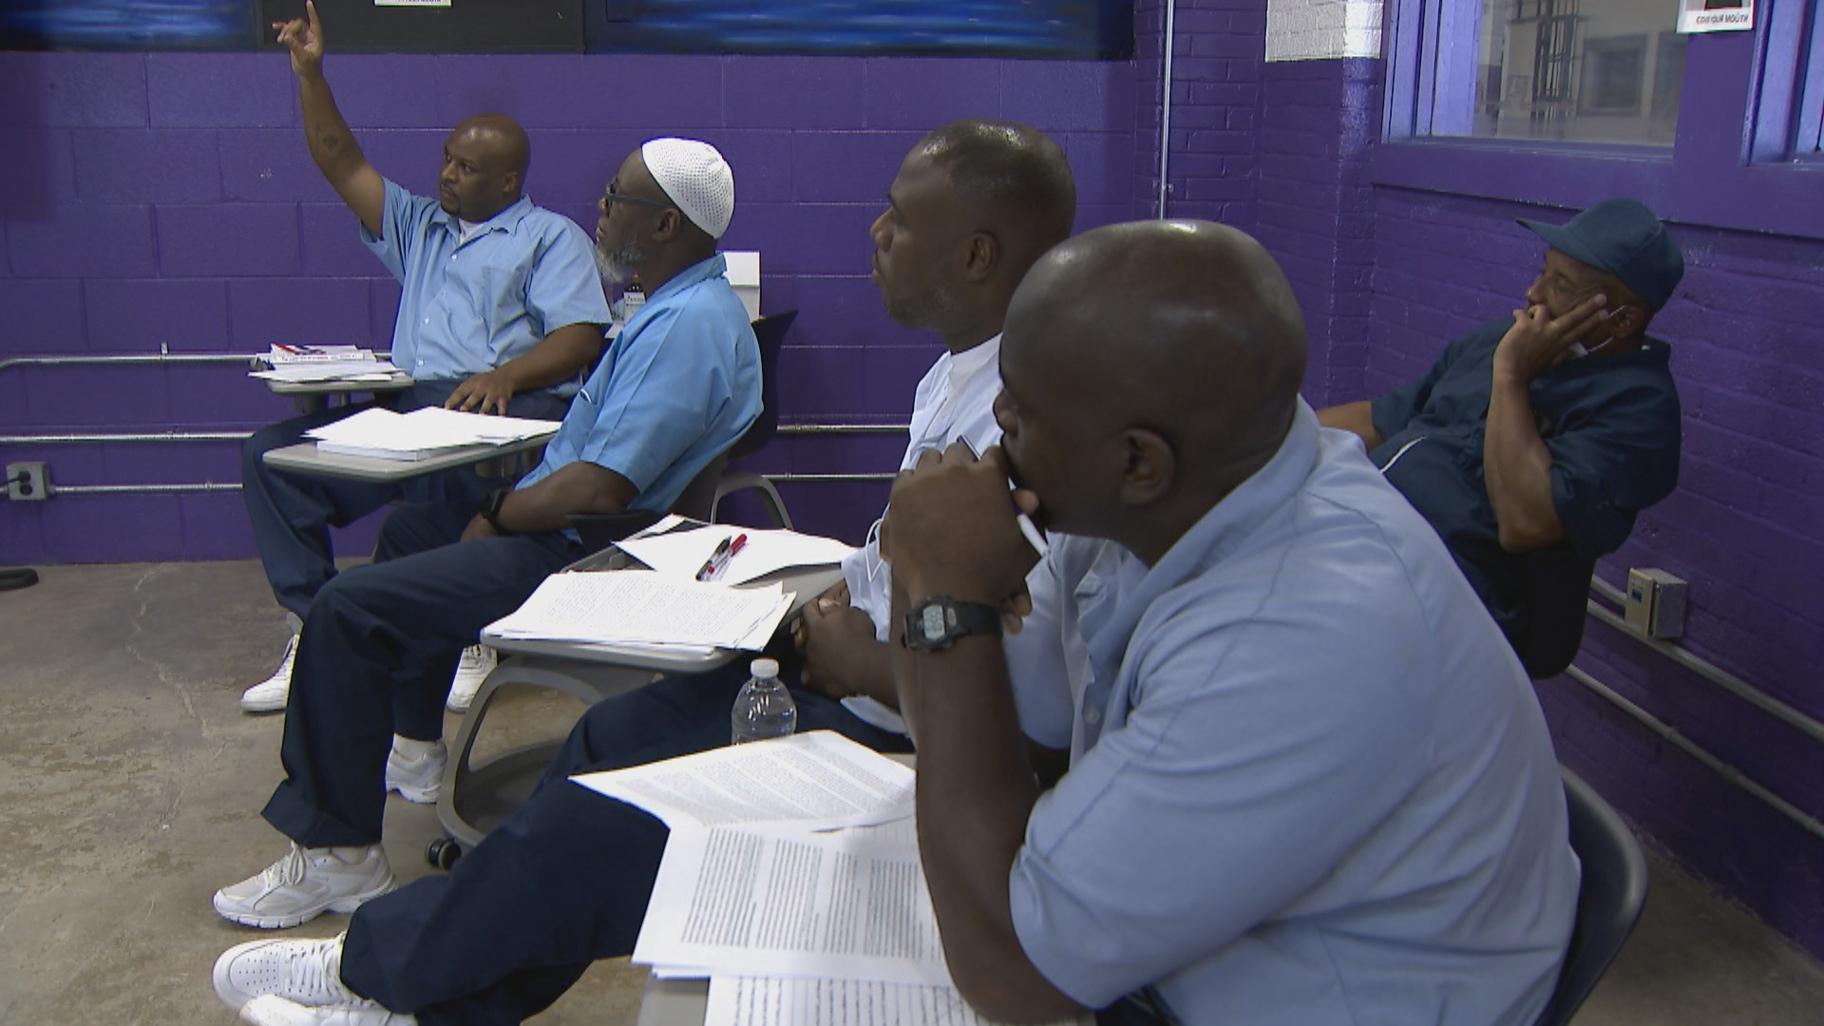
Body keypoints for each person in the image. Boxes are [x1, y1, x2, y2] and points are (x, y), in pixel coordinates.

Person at [208, 120, 1077, 1026]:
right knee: (598, 743)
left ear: (976, 254)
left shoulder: (1031, 419)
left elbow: (1026, 680)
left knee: (581, 813)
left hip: (869, 696)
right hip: (844, 657)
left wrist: (861, 657)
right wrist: (845, 592)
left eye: (899, 216)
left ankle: (375, 972)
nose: (875, 231)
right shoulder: (954, 375)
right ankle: (414, 991)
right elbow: (919, 557)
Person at [876, 220, 1579, 1024]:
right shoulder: (1168, 498)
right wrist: (930, 571)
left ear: (1140, 462)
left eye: (1022, 407)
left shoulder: (1305, 632)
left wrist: (939, 590)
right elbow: (1018, 738)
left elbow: (1013, 977)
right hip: (1204, 958)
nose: (997, 416)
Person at [210, 135, 761, 938]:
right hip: (577, 522)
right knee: (408, 532)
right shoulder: (672, 306)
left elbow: (601, 486)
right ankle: (414, 745)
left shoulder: (688, 328)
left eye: (615, 199)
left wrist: (497, 516)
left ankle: (339, 856)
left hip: (590, 551)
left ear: (668, 225)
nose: (600, 213)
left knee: (343, 608)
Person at [241, 0, 612, 715]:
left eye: (467, 168)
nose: (447, 175)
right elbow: (338, 158)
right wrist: (310, 71)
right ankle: (320, 626)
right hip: (412, 404)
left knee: (457, 465)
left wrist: (503, 375)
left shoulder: (547, 237)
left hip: (505, 407)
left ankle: (467, 633)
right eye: (446, 159)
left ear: (507, 182)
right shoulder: (418, 226)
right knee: (272, 461)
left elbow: (580, 338)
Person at [1318, 198, 1683, 675]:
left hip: (1455, 605)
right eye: (1543, 271)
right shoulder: (1496, 340)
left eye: (1561, 285)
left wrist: (1511, 378)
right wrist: (1273, 431)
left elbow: (1524, 522)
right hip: (1365, 544)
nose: (1534, 292)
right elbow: (1381, 420)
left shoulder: (1636, 410)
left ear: (1621, 320)